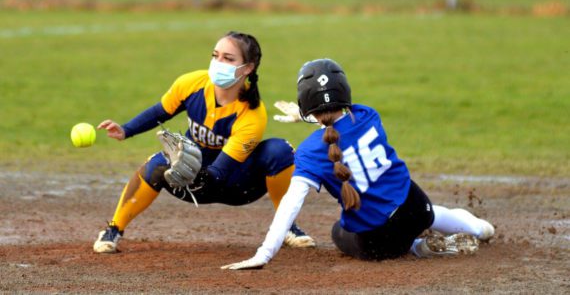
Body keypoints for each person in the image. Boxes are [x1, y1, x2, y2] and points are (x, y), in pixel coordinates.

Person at [222, 58, 495, 270]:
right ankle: (479, 229)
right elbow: (342, 122)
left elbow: (290, 205)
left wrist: (264, 254)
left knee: (339, 233)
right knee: (429, 213)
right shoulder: (368, 114)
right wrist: (310, 116)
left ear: (305, 104)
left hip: (380, 241)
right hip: (415, 206)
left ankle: (418, 247)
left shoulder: (308, 152)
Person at [93, 31, 315, 253]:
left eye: (228, 59)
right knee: (156, 164)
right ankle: (113, 229)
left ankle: (287, 227)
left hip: (237, 185)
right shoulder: (192, 83)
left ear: (248, 68)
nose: (219, 63)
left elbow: (222, 170)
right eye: (215, 55)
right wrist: (126, 130)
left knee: (279, 150)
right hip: (191, 181)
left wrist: (198, 174)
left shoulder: (252, 114)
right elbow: (160, 111)